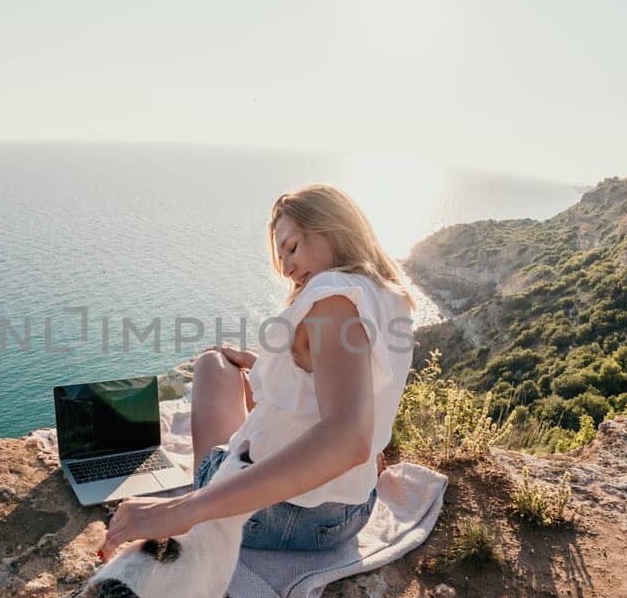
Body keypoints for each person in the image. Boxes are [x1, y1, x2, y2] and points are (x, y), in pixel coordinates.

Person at [99, 184, 417, 559]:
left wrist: (184, 509)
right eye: (281, 255)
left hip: (280, 518)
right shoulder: (388, 295)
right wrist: (267, 365)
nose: (286, 267)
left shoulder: (332, 296)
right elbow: (349, 389)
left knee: (213, 365)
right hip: (352, 511)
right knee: (241, 371)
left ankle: (210, 488)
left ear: (333, 228)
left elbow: (348, 439)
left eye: (293, 247)